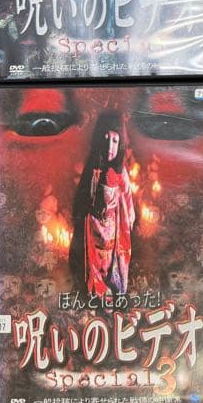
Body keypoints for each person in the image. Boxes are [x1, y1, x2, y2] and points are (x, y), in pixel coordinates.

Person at [69, 112, 136, 297]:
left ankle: (112, 292)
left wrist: (127, 220)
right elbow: (82, 198)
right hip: (92, 228)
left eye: (115, 141)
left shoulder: (121, 172)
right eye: (105, 139)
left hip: (114, 229)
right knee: (93, 266)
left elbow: (128, 202)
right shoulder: (92, 169)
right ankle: (94, 292)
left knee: (111, 265)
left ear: (120, 143)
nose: (109, 147)